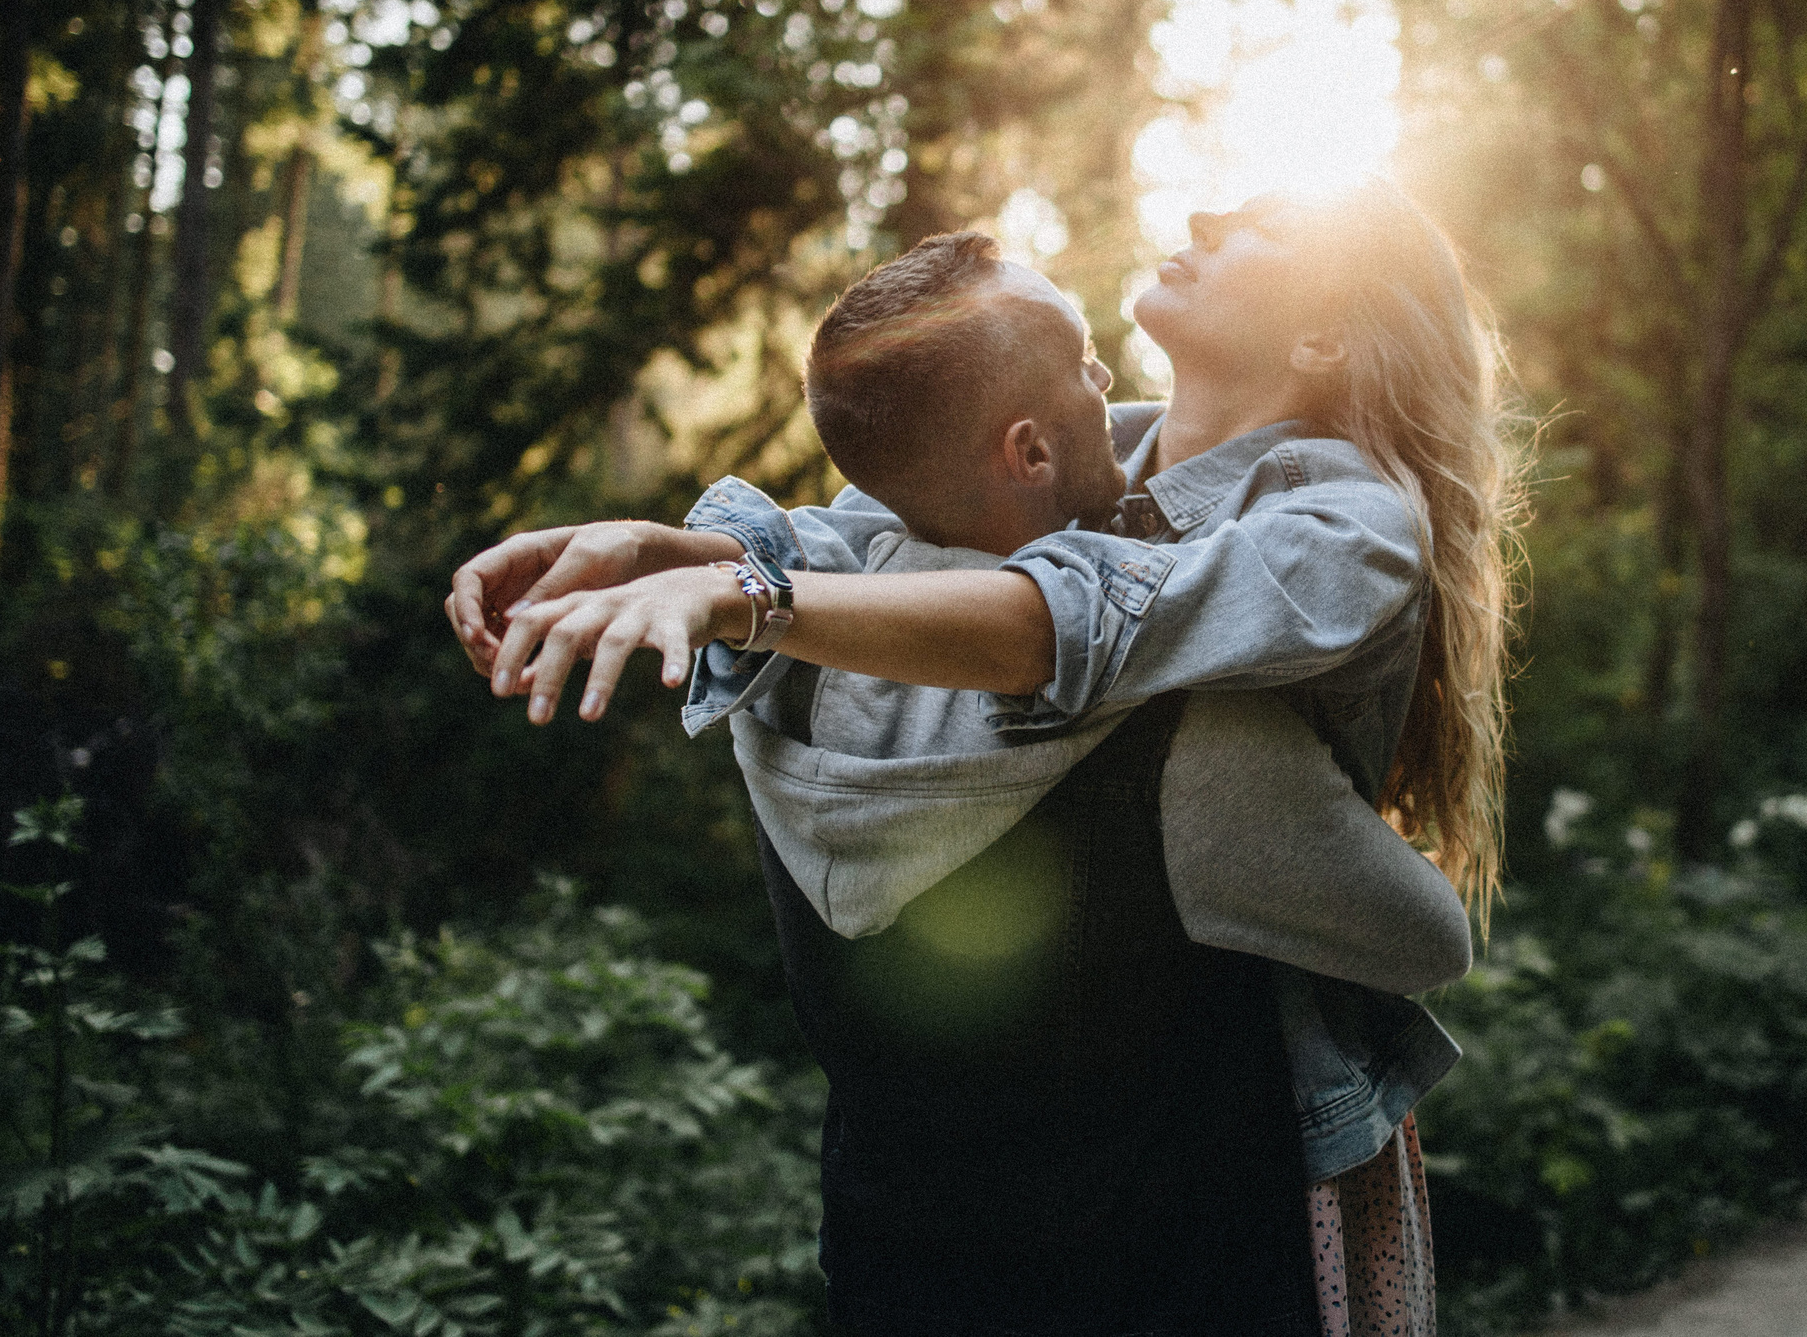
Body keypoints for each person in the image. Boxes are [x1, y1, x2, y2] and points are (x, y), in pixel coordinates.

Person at [452, 180, 1515, 1334]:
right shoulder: (1109, 446)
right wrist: (673, 544)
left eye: (1263, 224)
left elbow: (1066, 626)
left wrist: (751, 600)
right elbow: (869, 530)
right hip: (958, 1193)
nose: (1206, 217)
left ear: (1321, 335)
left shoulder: (1347, 529)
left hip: (1203, 1156)